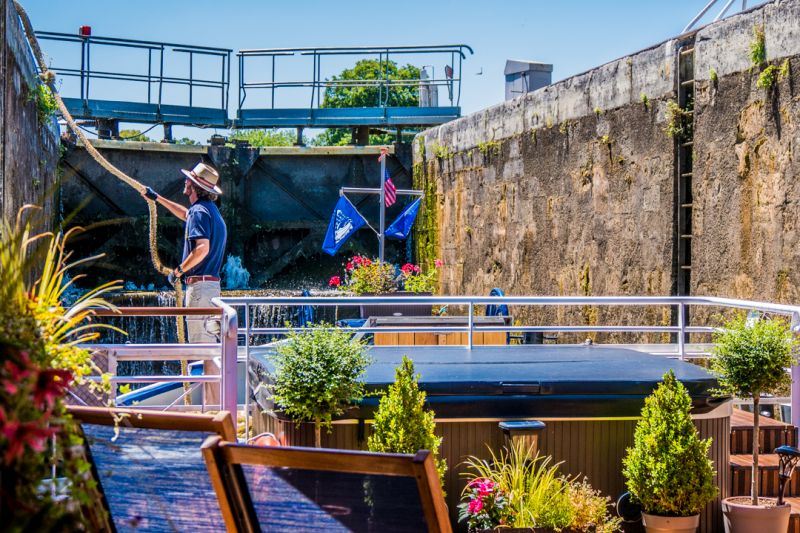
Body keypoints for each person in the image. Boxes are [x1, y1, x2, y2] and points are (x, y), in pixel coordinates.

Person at [142, 161, 227, 405]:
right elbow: (184, 213)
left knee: (206, 354)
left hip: (199, 289)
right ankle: (214, 406)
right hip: (211, 288)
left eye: (188, 179)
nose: (185, 181)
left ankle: (212, 409)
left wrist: (178, 271)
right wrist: (156, 198)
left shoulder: (200, 212)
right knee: (211, 352)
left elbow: (201, 249)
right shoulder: (209, 211)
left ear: (194, 186)